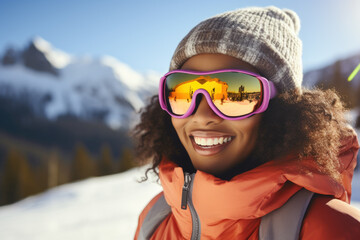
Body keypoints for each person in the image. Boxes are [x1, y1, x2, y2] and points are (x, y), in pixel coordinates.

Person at [133, 6, 360, 239]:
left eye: (234, 93)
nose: (201, 115)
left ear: (283, 109)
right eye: (184, 93)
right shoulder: (152, 219)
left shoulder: (333, 229)